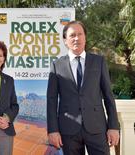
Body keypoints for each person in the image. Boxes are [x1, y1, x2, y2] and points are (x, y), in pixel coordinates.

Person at [47, 21, 120, 155]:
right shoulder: (56, 65)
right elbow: (51, 100)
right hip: (68, 130)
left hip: (97, 128)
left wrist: (114, 127)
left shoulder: (99, 62)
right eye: (72, 35)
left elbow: (108, 96)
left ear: (85, 37)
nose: (76, 38)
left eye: (80, 34)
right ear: (65, 40)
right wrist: (52, 130)